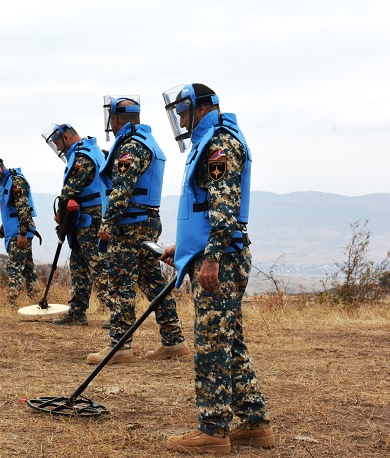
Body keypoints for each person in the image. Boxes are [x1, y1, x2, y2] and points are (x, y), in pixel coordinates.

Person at [159, 84, 273, 454]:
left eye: (182, 111)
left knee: (210, 345)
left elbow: (224, 208)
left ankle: (213, 431)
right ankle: (255, 424)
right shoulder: (211, 143)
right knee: (230, 340)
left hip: (221, 261)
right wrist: (187, 247)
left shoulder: (219, 146)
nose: (178, 119)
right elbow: (205, 211)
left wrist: (212, 258)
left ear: (198, 108)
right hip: (219, 253)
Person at [86, 95, 190, 365]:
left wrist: (107, 225)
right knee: (153, 283)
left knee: (121, 285)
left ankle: (120, 345)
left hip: (128, 225)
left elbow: (121, 189)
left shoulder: (131, 147)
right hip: (146, 222)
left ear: (116, 120)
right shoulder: (148, 142)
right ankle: (174, 340)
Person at [41, 123, 109, 326]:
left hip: (91, 217)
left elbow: (70, 189)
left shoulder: (83, 155)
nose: (58, 148)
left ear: (67, 138)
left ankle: (119, 314)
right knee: (78, 265)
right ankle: (78, 312)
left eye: (58, 143)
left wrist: (60, 215)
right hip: (82, 218)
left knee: (97, 265)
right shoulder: (89, 150)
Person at [0, 156, 40, 306]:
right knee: (28, 269)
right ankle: (37, 299)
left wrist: (22, 234)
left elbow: (23, 210)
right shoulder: (5, 183)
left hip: (20, 234)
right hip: (15, 232)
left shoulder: (15, 182)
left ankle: (11, 303)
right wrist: (3, 228)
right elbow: (11, 210)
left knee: (14, 268)